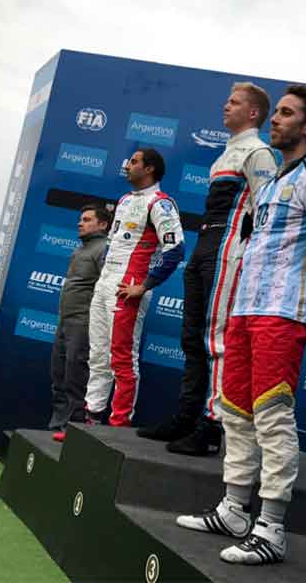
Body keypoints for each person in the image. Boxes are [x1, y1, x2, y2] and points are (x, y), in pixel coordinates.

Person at [176, 85, 306, 565]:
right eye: (275, 112)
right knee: (235, 412)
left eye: (287, 114)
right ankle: (235, 509)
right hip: (244, 311)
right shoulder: (272, 181)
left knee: (272, 415)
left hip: (280, 316)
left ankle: (271, 527)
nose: (276, 119)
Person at [137, 82, 278, 455]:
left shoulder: (260, 153)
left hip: (229, 250)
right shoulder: (224, 156)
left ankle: (214, 427)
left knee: (217, 338)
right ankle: (187, 417)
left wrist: (249, 255)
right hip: (204, 246)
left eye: (233, 103)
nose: (224, 106)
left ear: (252, 113)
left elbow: (267, 212)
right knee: (192, 337)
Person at [84, 148, 185, 427]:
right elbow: (113, 243)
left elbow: (175, 250)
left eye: (134, 162)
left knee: (122, 359)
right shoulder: (125, 199)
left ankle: (118, 429)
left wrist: (144, 285)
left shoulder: (161, 203)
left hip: (128, 286)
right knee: (98, 355)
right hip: (105, 283)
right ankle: (90, 423)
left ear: (149, 169)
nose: (127, 165)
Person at [49, 205, 111, 442]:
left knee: (76, 376)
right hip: (65, 320)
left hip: (84, 323)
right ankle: (57, 426)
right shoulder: (79, 250)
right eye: (80, 219)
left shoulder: (104, 249)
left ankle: (73, 430)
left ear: (103, 225)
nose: (80, 223)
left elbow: (106, 289)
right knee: (58, 375)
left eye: (86, 219)